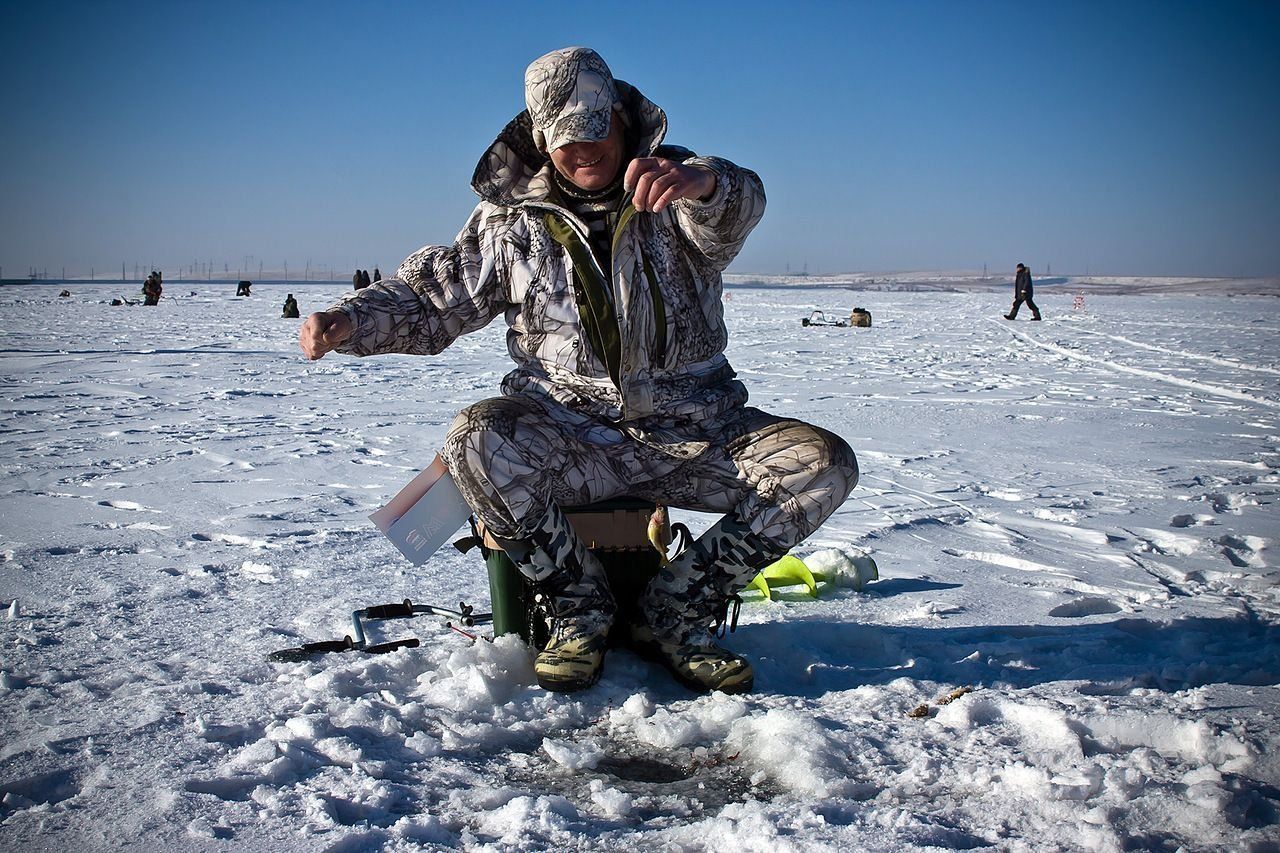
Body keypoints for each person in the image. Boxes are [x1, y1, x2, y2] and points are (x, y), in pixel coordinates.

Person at [299, 47, 858, 695]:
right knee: (473, 439)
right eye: (565, 137)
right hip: (569, 437)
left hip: (696, 431)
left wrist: (704, 183)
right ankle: (577, 609)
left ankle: (676, 610)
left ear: (623, 118)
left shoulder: (677, 190)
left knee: (825, 464)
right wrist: (349, 321)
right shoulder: (510, 223)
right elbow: (434, 300)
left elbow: (738, 204)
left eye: (596, 129)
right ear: (540, 137)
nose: (583, 149)